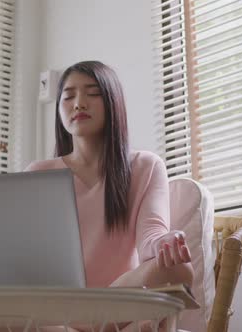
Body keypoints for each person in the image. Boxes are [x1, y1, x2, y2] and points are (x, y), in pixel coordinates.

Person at [26, 61, 193, 289]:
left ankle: (96, 321)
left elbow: (152, 235)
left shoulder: (146, 166)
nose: (79, 104)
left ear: (112, 103)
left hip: (117, 298)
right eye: (68, 97)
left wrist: (163, 244)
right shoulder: (38, 174)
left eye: (93, 94)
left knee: (178, 268)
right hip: (57, 303)